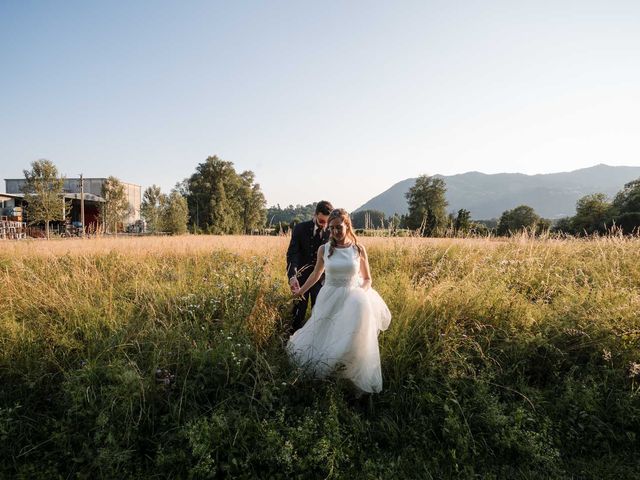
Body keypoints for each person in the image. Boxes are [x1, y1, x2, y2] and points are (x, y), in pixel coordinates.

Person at [287, 208, 392, 393]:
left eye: (339, 227)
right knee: (326, 334)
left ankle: (349, 377)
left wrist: (360, 293)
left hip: (353, 300)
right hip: (330, 297)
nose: (335, 232)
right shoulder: (324, 249)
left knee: (351, 338)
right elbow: (315, 274)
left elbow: (367, 279)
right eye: (332, 228)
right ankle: (326, 374)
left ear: (347, 226)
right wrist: (300, 291)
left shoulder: (358, 249)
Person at [286, 200, 333, 332]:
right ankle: (291, 342)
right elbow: (292, 254)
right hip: (300, 280)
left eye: (327, 222)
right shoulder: (300, 228)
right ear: (315, 214)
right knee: (297, 314)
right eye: (321, 221)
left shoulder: (331, 231)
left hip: (321, 280)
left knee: (318, 314)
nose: (324, 225)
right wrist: (292, 276)